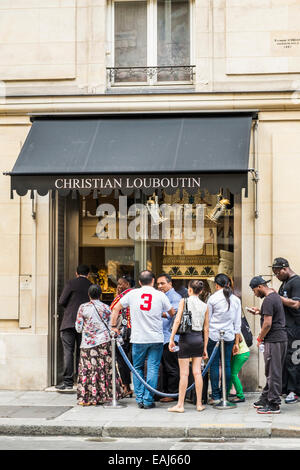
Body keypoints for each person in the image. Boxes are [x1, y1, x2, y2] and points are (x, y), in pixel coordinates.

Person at [110, 270, 174, 409]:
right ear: (153, 281)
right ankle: (148, 399)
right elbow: (171, 312)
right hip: (156, 338)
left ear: (139, 282)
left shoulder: (132, 294)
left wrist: (114, 326)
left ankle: (139, 398)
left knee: (137, 368)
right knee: (152, 368)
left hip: (138, 338)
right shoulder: (159, 295)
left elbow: (115, 308)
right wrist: (160, 314)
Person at [75, 284, 124, 405]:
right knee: (103, 368)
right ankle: (105, 395)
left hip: (88, 343)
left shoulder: (83, 307)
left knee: (88, 369)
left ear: (89, 295)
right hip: (104, 341)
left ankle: (88, 397)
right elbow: (110, 325)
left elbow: (78, 328)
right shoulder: (106, 308)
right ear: (100, 294)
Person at [168, 280, 209, 413]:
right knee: (197, 373)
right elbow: (206, 328)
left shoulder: (183, 301)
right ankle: (199, 404)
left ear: (189, 289)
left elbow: (178, 320)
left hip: (186, 339)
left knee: (184, 374)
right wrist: (205, 348)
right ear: (201, 291)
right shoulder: (205, 306)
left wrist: (172, 338)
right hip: (198, 339)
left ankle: (180, 405)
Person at [249, 275, 288, 414]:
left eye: (254, 291)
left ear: (259, 287)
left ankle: (274, 404)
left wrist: (260, 337)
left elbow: (268, 324)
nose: (255, 294)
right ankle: (266, 397)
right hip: (279, 338)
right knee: (271, 371)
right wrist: (260, 312)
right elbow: (273, 315)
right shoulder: (274, 296)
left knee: (273, 372)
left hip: (274, 340)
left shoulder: (268, 300)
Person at [56, 264, 93, 390]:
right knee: (82, 352)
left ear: (76, 273)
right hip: (85, 323)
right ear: (88, 274)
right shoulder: (91, 286)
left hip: (69, 322)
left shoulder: (71, 283)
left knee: (68, 352)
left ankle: (68, 382)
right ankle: (81, 380)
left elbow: (61, 301)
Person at [206, 273, 241, 405]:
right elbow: (237, 324)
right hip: (229, 336)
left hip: (214, 336)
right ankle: (224, 394)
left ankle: (215, 396)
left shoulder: (213, 298)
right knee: (226, 364)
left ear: (216, 285)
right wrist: (236, 343)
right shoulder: (236, 300)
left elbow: (207, 321)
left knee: (214, 365)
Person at [270, 258, 300, 404]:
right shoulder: (285, 283)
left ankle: (294, 391)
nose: (276, 276)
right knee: (285, 359)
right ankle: (286, 388)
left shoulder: (296, 282)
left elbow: (295, 303)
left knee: (293, 359)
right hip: (286, 328)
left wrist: (277, 296)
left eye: (277, 273)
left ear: (285, 268)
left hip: (296, 327)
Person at [156, 273, 182, 403]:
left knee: (171, 367)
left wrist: (155, 312)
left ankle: (173, 394)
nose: (160, 286)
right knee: (164, 367)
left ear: (170, 283)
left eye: (162, 283)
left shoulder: (175, 297)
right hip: (162, 337)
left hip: (171, 338)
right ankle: (164, 392)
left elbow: (174, 314)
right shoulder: (161, 296)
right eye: (158, 284)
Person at [110, 275, 135, 398]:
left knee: (121, 360)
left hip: (123, 332)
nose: (119, 286)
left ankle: (126, 386)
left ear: (128, 284)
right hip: (137, 332)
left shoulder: (121, 297)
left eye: (121, 284)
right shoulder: (138, 294)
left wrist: (113, 326)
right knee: (135, 360)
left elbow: (112, 310)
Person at [228, 332, 250, 403]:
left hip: (241, 353)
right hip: (240, 353)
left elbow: (239, 339)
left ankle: (240, 396)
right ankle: (226, 392)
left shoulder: (234, 328)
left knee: (233, 374)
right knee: (230, 373)